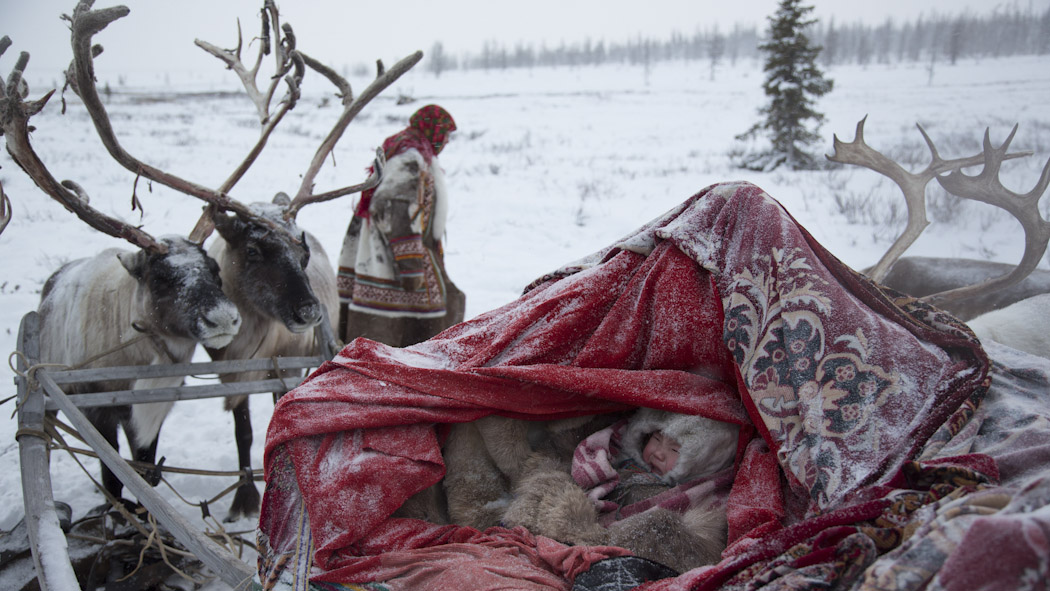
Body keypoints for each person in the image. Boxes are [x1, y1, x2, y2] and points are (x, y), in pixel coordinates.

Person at [501, 408, 740, 573]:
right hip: (586, 515)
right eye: (656, 439)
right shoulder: (620, 457)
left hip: (619, 536)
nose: (658, 452)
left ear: (700, 462)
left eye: (675, 450)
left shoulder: (697, 493)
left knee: (661, 528)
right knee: (549, 486)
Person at [336, 104, 464, 347]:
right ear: (432, 130)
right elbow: (394, 209)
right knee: (415, 333)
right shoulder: (410, 158)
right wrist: (411, 264)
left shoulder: (410, 150)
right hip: (393, 256)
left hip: (386, 249)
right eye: (445, 133)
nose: (447, 141)